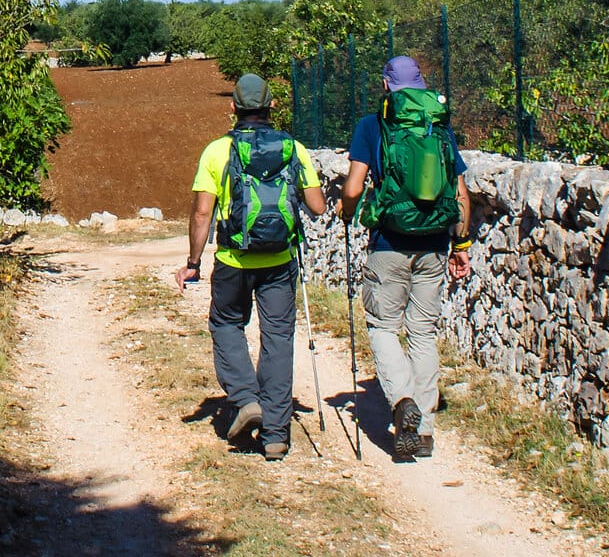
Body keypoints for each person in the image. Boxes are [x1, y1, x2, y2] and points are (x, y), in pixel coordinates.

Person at [175, 73, 327, 461]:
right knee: (277, 338)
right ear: (272, 105)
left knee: (226, 324)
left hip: (232, 260)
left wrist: (193, 262)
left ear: (233, 108)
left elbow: (202, 212)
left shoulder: (216, 152)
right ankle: (276, 436)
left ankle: (245, 398)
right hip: (279, 260)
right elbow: (317, 206)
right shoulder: (294, 149)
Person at [336, 56, 474, 461]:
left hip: (388, 243)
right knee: (423, 333)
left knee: (382, 326)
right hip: (434, 244)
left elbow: (353, 187)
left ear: (386, 85)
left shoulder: (372, 125)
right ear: (422, 84)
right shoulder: (440, 127)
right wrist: (461, 246)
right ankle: (426, 431)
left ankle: (401, 402)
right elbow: (461, 194)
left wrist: (348, 215)